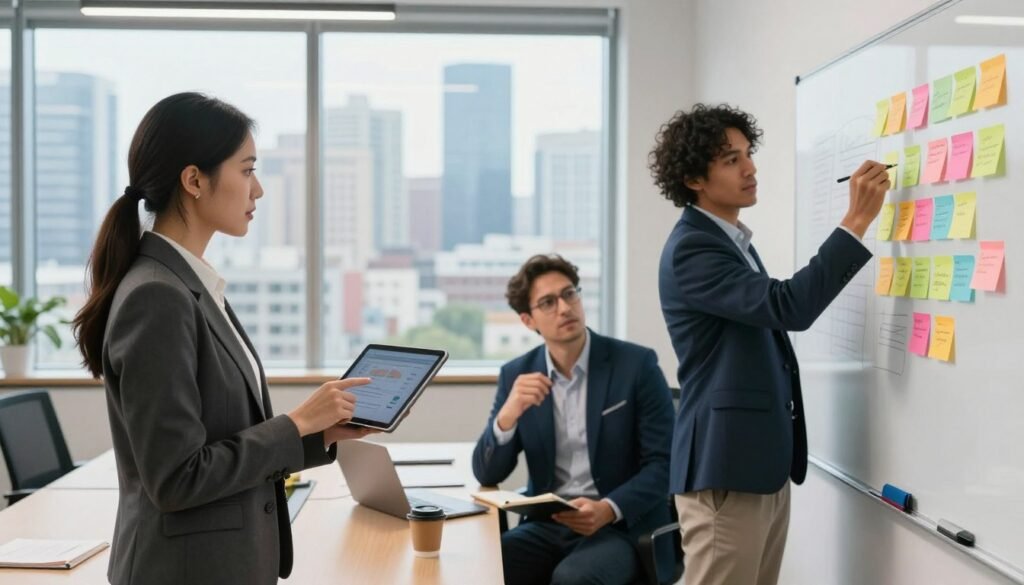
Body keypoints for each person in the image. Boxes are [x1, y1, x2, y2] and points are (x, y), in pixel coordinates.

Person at [72, 93, 374, 585]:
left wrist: (316, 435)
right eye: (246, 170)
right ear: (193, 180)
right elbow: (177, 478)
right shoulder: (158, 297)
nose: (258, 190)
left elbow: (218, 438)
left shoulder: (188, 284)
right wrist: (295, 423)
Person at [649, 103, 889, 585]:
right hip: (726, 469)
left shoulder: (730, 239)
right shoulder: (694, 247)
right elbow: (788, 307)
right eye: (731, 159)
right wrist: (855, 222)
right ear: (695, 178)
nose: (750, 167)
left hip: (758, 462)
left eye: (748, 153)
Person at [472, 254, 675, 585]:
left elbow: (666, 464)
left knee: (573, 579)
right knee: (481, 566)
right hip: (549, 524)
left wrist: (608, 508)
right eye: (548, 302)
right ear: (528, 320)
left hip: (620, 526)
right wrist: (507, 415)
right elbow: (487, 472)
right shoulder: (517, 375)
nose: (564, 308)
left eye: (570, 294)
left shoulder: (636, 365)